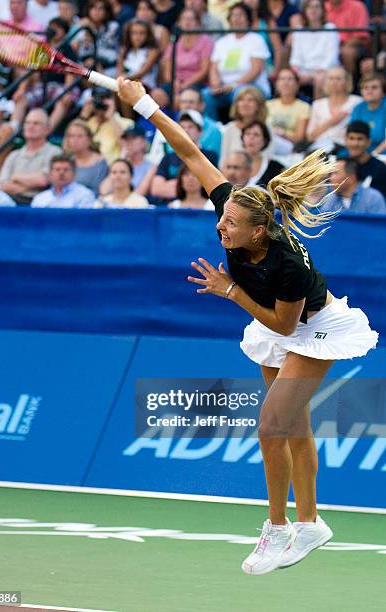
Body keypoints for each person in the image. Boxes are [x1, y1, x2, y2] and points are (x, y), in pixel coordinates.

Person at [117, 75, 378, 575]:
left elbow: (285, 327)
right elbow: (191, 152)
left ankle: (277, 528)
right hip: (274, 323)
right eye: (223, 219)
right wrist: (145, 104)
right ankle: (310, 524)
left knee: (270, 425)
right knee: (294, 427)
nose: (221, 228)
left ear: (258, 231)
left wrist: (231, 291)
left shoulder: (285, 263)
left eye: (230, 226)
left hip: (313, 326)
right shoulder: (236, 209)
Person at [202, 2, 271, 121]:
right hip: (225, 88)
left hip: (251, 86)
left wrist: (233, 85)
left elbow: (255, 70)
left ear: (248, 19)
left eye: (240, 15)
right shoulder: (222, 42)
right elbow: (213, 69)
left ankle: (240, 128)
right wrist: (216, 85)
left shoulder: (256, 40)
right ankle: (213, 129)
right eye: (233, 15)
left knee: (240, 94)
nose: (236, 19)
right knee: (205, 95)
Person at [150, 109, 218, 204]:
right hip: (172, 210)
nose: (186, 130)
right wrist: (189, 188)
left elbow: (213, 187)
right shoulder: (168, 158)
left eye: (190, 127)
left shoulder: (210, 157)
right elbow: (156, 189)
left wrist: (172, 184)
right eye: (182, 127)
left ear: (200, 131)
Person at [0, 109, 62, 204]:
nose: (30, 126)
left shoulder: (55, 152)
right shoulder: (14, 155)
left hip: (44, 204)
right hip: (12, 202)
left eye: (36, 123)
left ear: (47, 129)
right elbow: (2, 185)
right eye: (27, 123)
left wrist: (15, 177)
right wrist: (28, 186)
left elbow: (43, 181)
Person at [290, 0, 340, 100]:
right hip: (304, 72)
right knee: (287, 78)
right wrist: (301, 74)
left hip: (326, 70)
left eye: (317, 7)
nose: (313, 10)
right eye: (310, 7)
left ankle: (317, 112)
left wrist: (315, 74)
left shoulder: (331, 28)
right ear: (305, 11)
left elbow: (331, 58)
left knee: (320, 79)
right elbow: (295, 59)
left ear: (322, 11)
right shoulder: (299, 31)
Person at [162, 8, 214, 100]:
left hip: (196, 83)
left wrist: (185, 84)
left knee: (180, 98)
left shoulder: (205, 40)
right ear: (179, 22)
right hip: (175, 83)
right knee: (157, 94)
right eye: (184, 18)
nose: (187, 22)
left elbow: (204, 70)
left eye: (191, 19)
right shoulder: (175, 40)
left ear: (198, 23)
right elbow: (167, 69)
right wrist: (174, 82)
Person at [306, 66, 362, 151]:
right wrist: (331, 122)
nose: (334, 82)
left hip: (346, 148)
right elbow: (310, 136)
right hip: (320, 148)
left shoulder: (357, 102)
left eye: (338, 79)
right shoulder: (317, 104)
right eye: (331, 79)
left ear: (346, 82)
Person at [80, 87, 134, 164]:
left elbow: (129, 148)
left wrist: (111, 117)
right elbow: (69, 145)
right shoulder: (87, 123)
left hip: (112, 170)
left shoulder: (127, 124)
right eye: (97, 99)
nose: (100, 103)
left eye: (105, 99)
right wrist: (83, 116)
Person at [100, 126, 156, 196]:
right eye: (126, 139)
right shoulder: (119, 164)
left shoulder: (151, 167)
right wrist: (121, 160)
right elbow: (104, 190)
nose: (128, 142)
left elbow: (139, 194)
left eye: (133, 138)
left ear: (143, 142)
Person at [220, 87, 267, 166]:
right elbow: (223, 162)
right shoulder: (229, 129)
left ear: (259, 105)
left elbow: (267, 161)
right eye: (241, 100)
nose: (245, 104)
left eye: (250, 100)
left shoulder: (266, 129)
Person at [266, 68, 311, 151]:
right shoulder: (268, 105)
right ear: (276, 84)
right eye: (282, 79)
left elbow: (299, 138)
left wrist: (282, 134)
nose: (285, 83)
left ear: (297, 84)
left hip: (289, 146)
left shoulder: (304, 107)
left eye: (290, 79)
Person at [339, 121, 386, 198]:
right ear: (345, 140)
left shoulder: (380, 170)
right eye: (351, 138)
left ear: (368, 142)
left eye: (360, 139)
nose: (355, 143)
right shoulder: (340, 166)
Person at [321, 158, 386, 214]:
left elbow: (379, 226)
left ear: (351, 178)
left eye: (336, 173)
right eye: (331, 174)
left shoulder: (373, 198)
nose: (330, 178)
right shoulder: (331, 199)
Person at [63, 119, 109, 195]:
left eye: (80, 136)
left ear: (89, 139)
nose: (75, 140)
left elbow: (99, 191)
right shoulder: (66, 161)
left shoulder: (100, 162)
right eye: (71, 136)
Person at [325, 0, 370, 76]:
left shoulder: (357, 6)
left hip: (353, 45)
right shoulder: (321, 8)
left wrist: (339, 47)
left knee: (347, 52)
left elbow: (361, 36)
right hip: (328, 45)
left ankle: (349, 84)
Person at [32, 154, 96, 208]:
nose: (61, 173)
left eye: (66, 170)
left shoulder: (85, 195)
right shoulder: (40, 198)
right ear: (50, 174)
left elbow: (84, 221)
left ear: (74, 174)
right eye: (57, 169)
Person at [117, 18, 159, 91]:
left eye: (142, 33)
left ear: (148, 35)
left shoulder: (152, 51)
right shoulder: (124, 50)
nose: (138, 36)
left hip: (145, 87)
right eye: (134, 33)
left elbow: (142, 72)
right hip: (126, 85)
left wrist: (125, 79)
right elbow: (120, 71)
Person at [349, 73, 386, 154]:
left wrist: (373, 155)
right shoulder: (358, 108)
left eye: (374, 87)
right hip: (361, 154)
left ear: (383, 91)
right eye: (365, 88)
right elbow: (351, 134)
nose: (369, 91)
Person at [241, 120, 285, 187]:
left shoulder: (275, 167)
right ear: (242, 139)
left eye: (256, 135)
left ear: (264, 141)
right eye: (247, 133)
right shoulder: (231, 164)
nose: (251, 137)